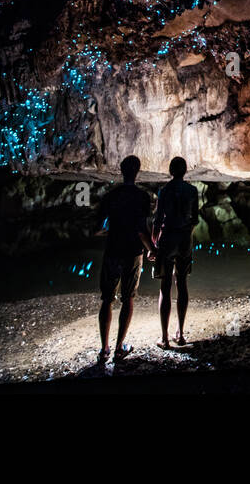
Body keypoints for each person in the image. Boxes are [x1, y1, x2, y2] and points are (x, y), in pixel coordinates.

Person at [94, 155, 155, 364]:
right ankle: (120, 348)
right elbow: (141, 229)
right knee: (128, 297)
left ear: (121, 171)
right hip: (132, 252)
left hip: (113, 250)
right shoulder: (142, 197)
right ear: (137, 172)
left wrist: (112, 229)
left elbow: (98, 228)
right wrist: (152, 249)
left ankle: (104, 350)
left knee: (107, 299)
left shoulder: (111, 196)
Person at [152, 156, 200, 347]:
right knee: (182, 283)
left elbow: (157, 220)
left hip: (168, 237)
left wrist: (154, 243)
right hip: (184, 238)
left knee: (165, 286)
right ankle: (180, 334)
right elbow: (195, 219)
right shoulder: (192, 190)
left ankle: (164, 338)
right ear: (185, 171)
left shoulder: (164, 191)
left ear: (171, 171)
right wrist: (186, 233)